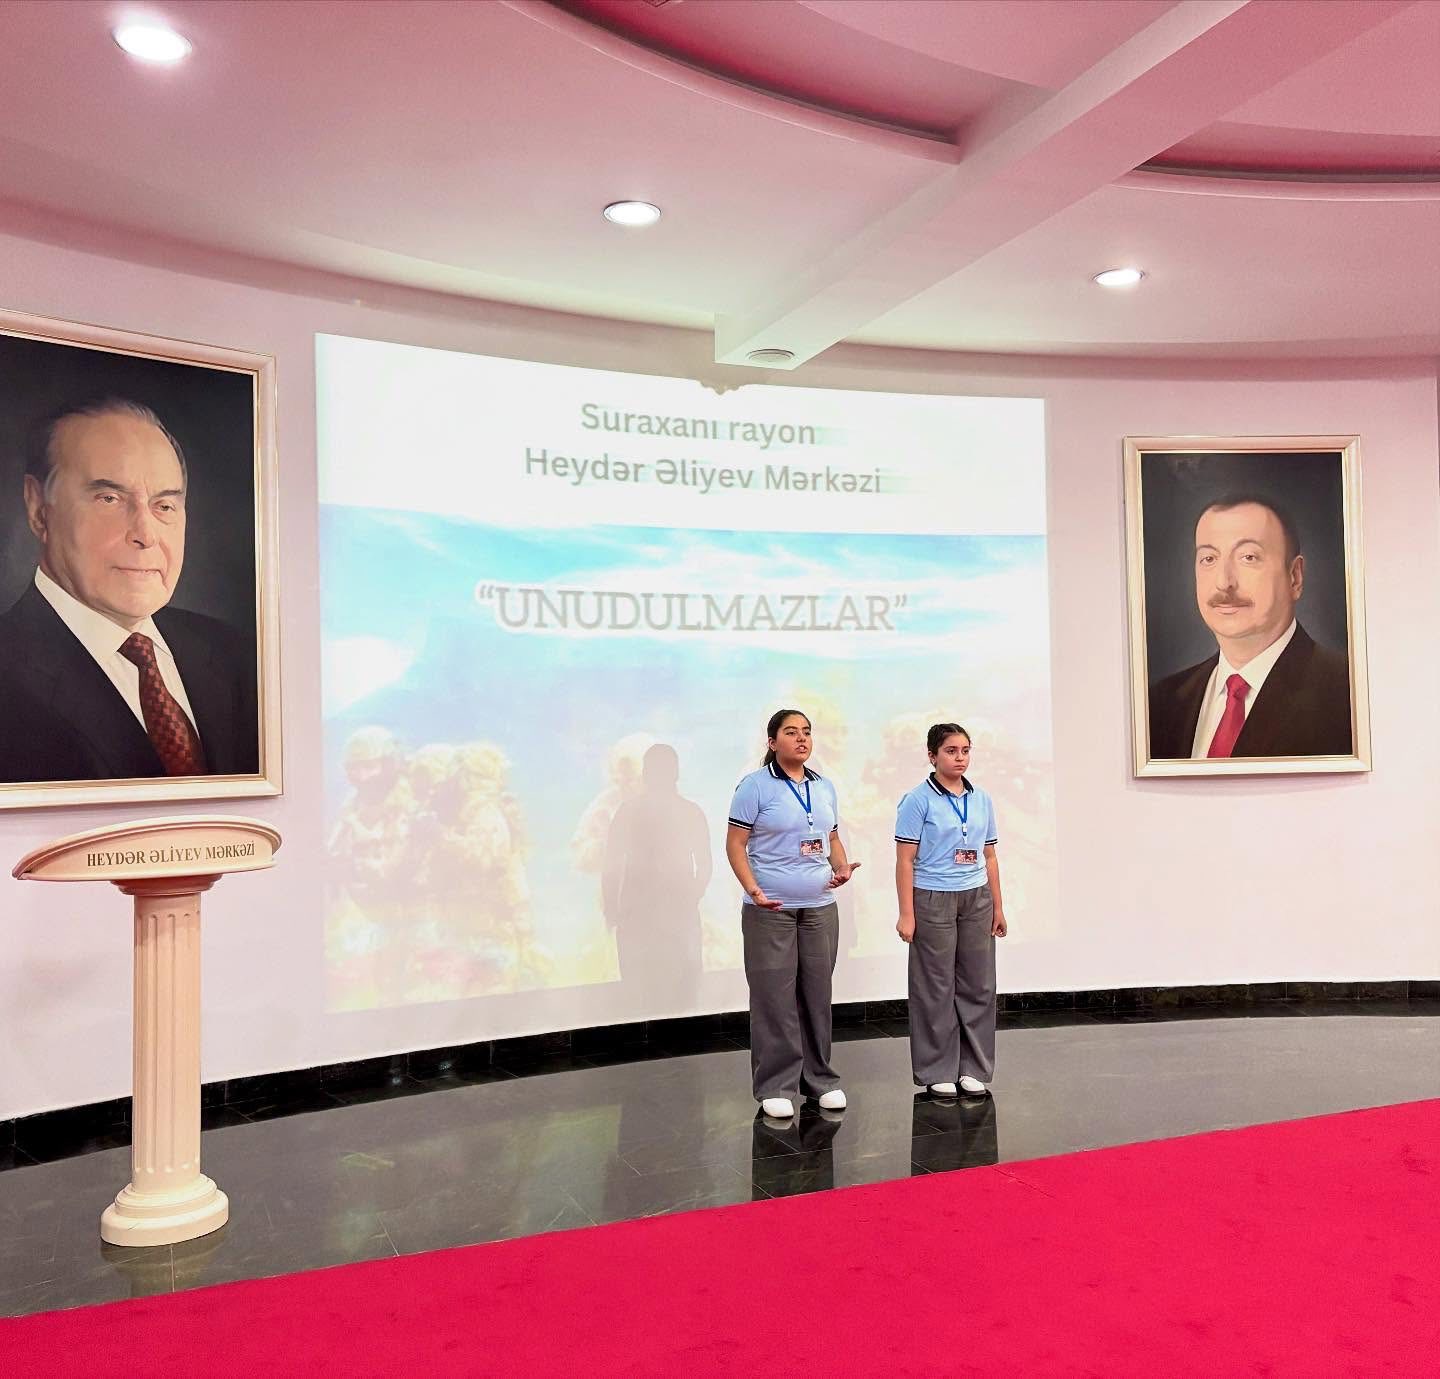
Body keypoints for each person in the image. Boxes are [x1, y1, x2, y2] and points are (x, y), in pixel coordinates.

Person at [0, 397, 258, 783]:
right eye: (109, 499)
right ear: (39, 508)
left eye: (164, 506)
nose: (145, 534)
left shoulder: (238, 655)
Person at [726, 708, 858, 1121]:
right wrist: (753, 889)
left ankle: (820, 1080)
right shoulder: (754, 786)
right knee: (774, 997)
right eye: (791, 732)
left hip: (819, 906)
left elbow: (831, 838)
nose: (801, 739)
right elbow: (735, 844)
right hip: (771, 909)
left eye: (806, 732)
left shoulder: (824, 786)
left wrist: (841, 868)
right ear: (772, 742)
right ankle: (775, 1085)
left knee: (816, 995)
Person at [1148, 494, 1352, 760]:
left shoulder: (1347, 693)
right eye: (1208, 559)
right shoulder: (1161, 702)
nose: (1224, 582)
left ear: (1294, 577)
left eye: (1248, 557)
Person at [895, 723, 1007, 1099]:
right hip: (932, 898)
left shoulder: (982, 799)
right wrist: (907, 913)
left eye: (965, 751)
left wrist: (998, 906)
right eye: (951, 751)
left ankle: (974, 1068)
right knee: (935, 986)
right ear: (932, 756)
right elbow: (905, 861)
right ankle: (937, 1068)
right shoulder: (917, 800)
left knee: (979, 983)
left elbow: (990, 856)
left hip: (976, 897)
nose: (960, 758)